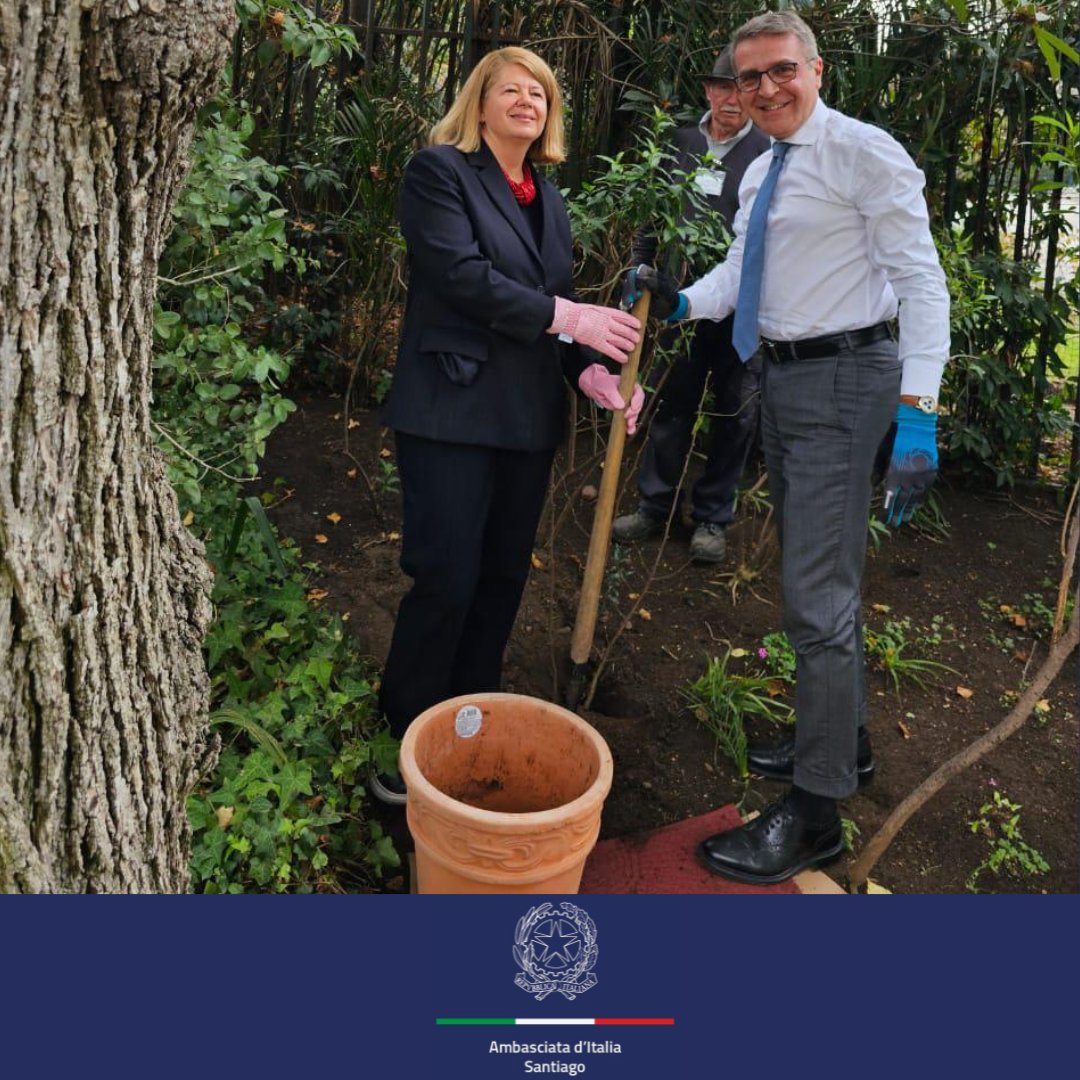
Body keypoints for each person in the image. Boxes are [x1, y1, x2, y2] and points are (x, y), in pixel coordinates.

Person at [627, 10, 949, 882]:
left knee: (815, 595)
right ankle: (842, 743)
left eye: (780, 71)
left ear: (816, 69)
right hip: (793, 377)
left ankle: (816, 813)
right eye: (748, 76)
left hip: (845, 380)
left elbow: (922, 281)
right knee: (821, 573)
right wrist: (680, 297)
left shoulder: (861, 152)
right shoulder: (766, 164)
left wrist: (918, 416)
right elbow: (742, 276)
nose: (763, 88)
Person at [372, 47, 644, 805]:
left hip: (526, 420)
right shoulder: (438, 173)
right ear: (479, 105)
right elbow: (461, 276)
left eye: (541, 92)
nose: (529, 100)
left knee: (498, 581)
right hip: (450, 411)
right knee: (447, 576)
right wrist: (573, 316)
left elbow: (549, 309)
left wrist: (585, 370)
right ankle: (404, 742)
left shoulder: (546, 198)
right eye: (511, 90)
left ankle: (469, 721)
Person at [612, 47, 769, 564]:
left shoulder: (769, 153)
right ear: (708, 91)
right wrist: (638, 271)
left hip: (740, 311)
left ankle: (712, 520)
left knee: (735, 414)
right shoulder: (678, 142)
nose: (730, 99)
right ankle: (655, 506)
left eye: (739, 88)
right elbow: (651, 221)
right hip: (677, 305)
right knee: (670, 405)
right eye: (721, 87)